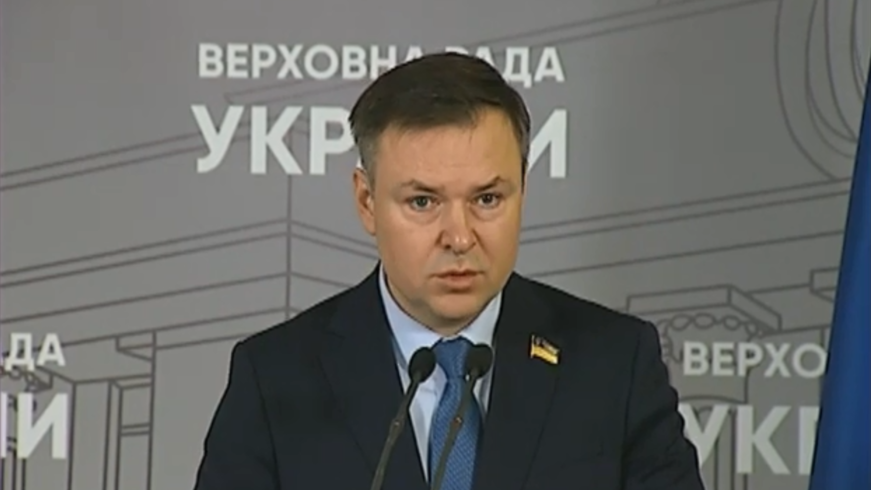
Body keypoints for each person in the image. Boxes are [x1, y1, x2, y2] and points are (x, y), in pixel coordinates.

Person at [192, 52, 705, 490]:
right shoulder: (275, 378)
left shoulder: (614, 364)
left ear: (523, 191)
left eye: (487, 198)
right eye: (422, 202)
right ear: (367, 201)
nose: (459, 237)